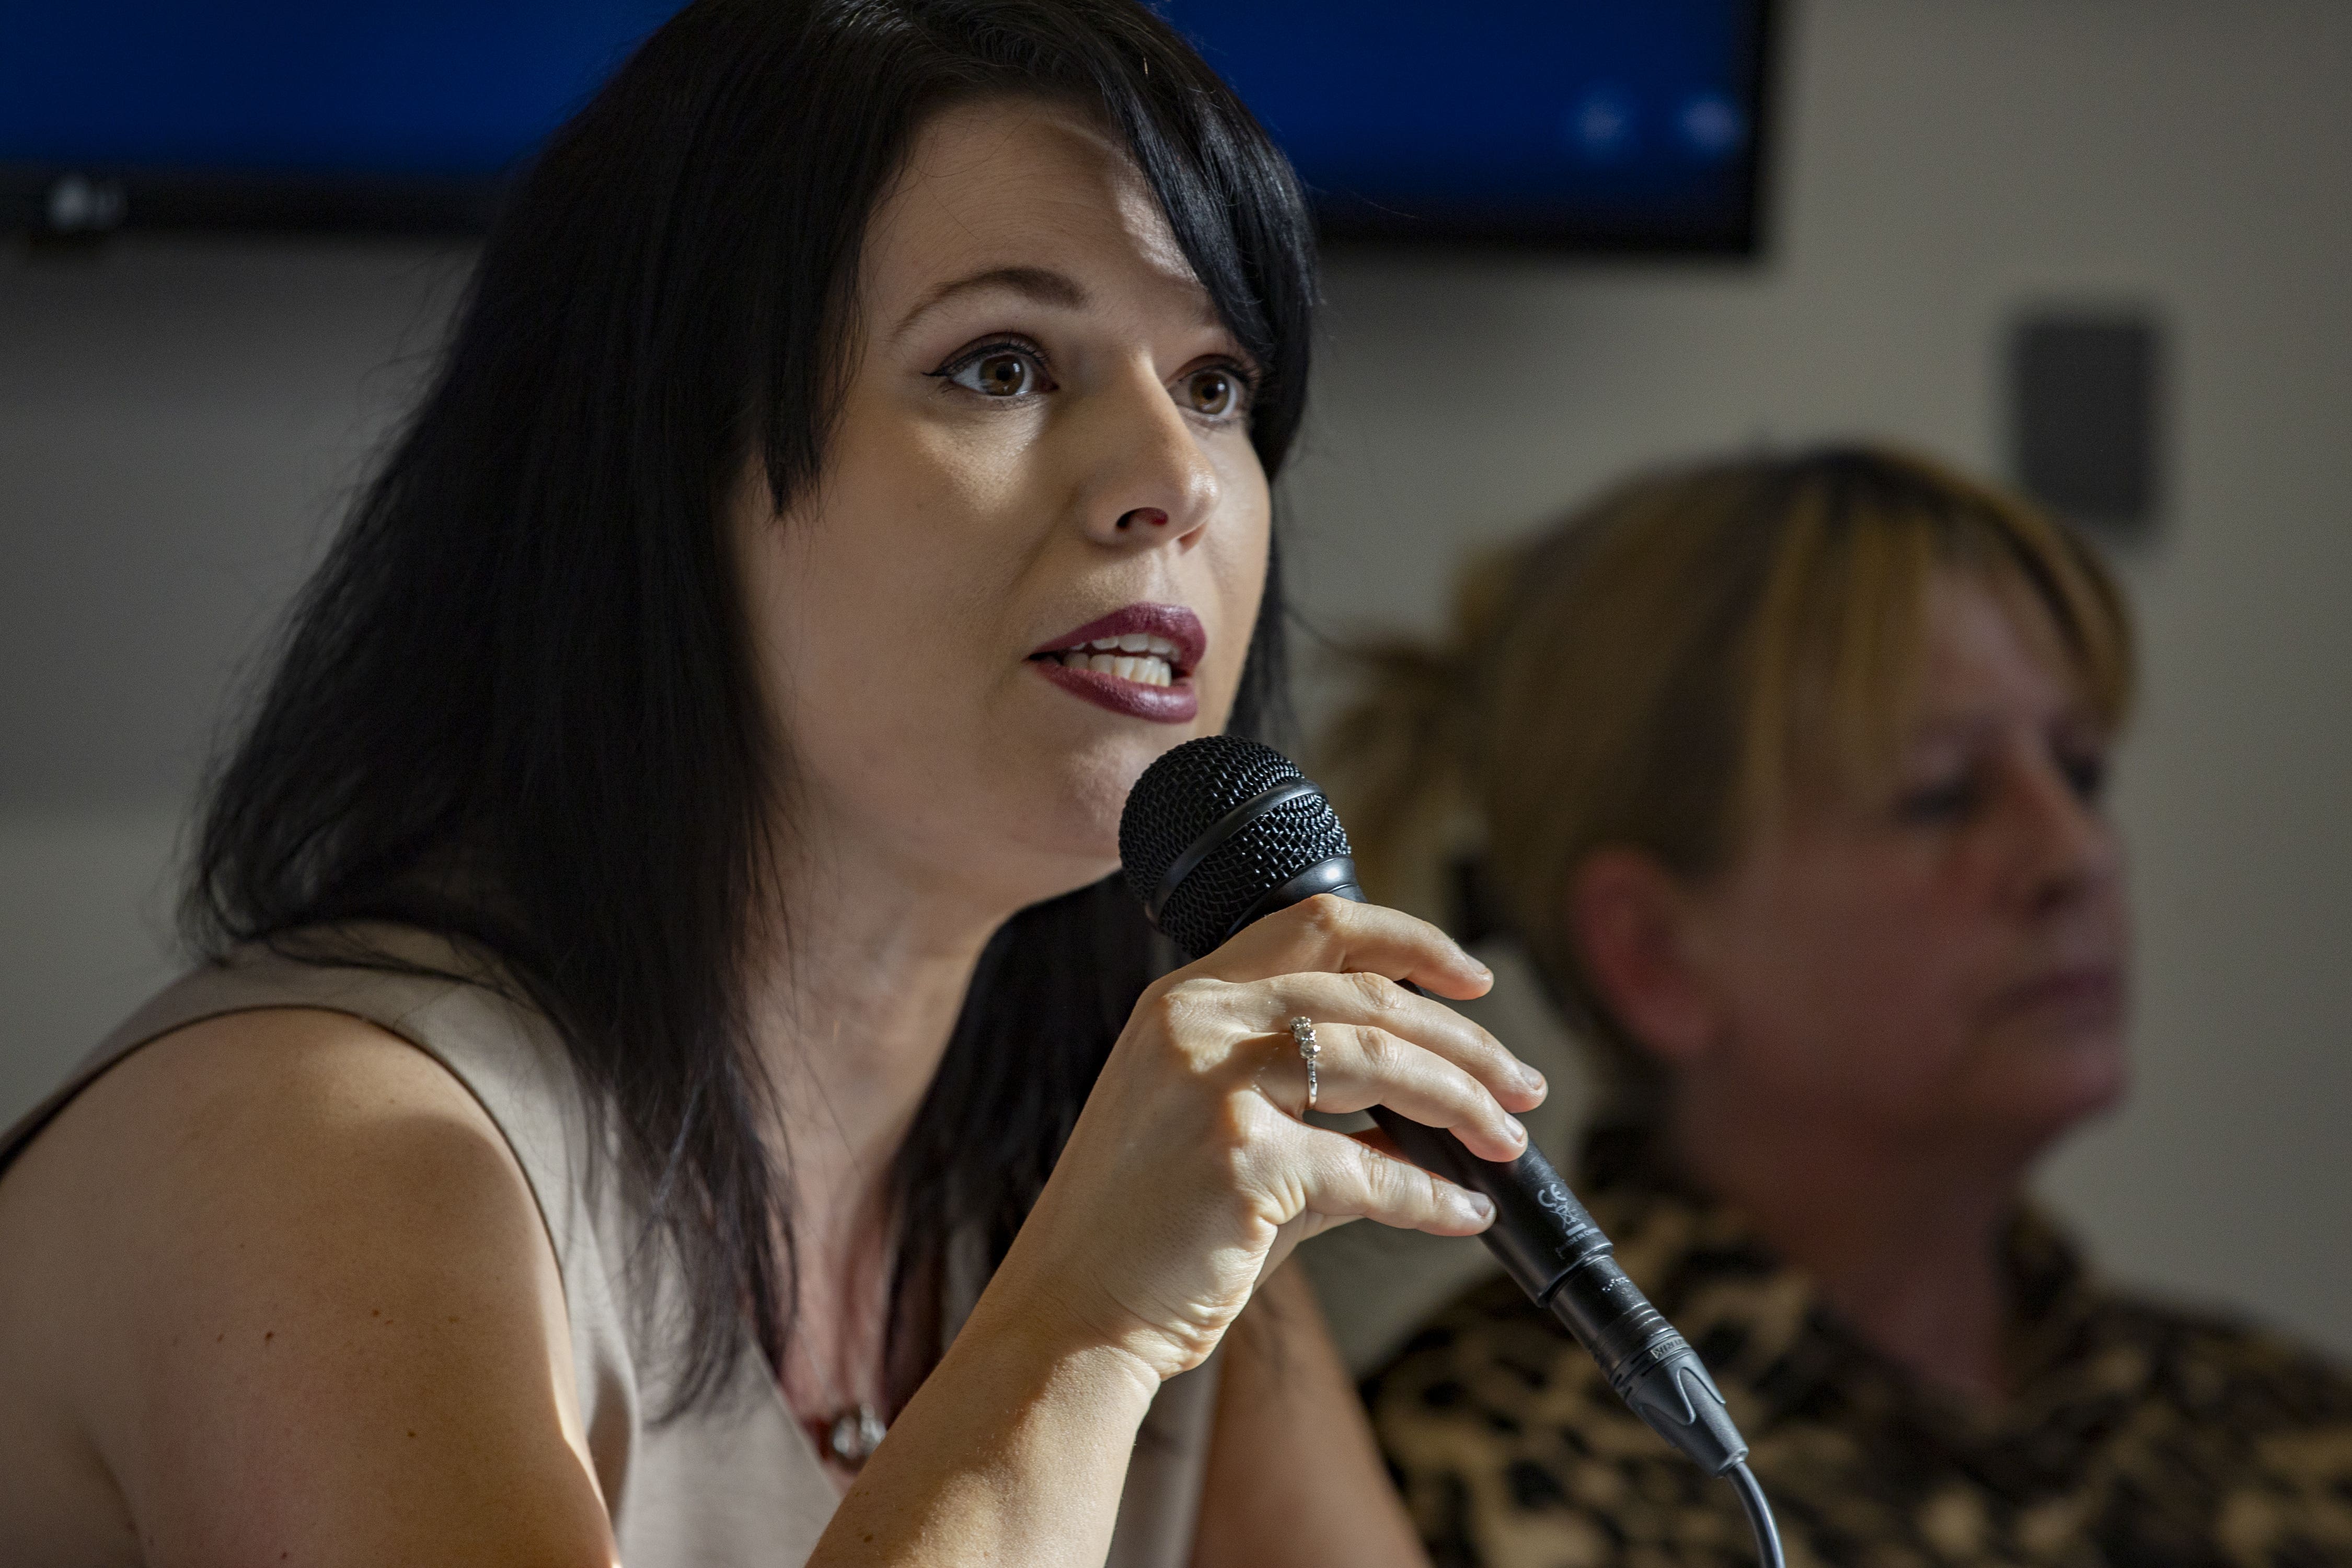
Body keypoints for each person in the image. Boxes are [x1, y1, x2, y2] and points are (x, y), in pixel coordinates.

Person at [0, 3, 1552, 1562]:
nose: (1178, 478)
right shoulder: (324, 1156)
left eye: (1216, 384)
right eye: (1003, 363)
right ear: (661, 471)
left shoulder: (1108, 1166)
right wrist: (1080, 1336)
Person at [1327, 446, 2352, 1567]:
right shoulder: (1450, 1486)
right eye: (1943, 796)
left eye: (2081, 772)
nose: (2078, 853)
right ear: (1655, 954)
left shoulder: (2287, 1434)